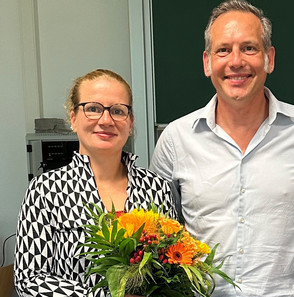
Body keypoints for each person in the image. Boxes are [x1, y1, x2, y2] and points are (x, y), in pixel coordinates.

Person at [150, 0, 294, 297]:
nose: (236, 61)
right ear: (207, 62)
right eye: (223, 50)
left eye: (249, 48)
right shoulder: (175, 138)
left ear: (269, 58)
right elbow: (160, 236)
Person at [14, 69, 178, 297]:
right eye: (93, 109)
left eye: (118, 111)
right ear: (73, 118)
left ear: (129, 123)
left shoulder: (157, 188)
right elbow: (29, 280)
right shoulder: (46, 191)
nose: (106, 120)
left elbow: (172, 269)